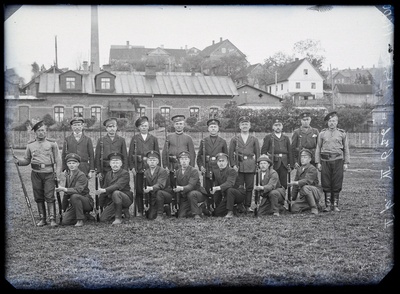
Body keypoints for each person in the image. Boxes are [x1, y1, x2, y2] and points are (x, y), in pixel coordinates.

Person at [13, 120, 62, 227]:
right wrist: (18, 161)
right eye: (39, 131)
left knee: (49, 196)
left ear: (46, 131)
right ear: (35, 132)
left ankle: (52, 219)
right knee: (38, 196)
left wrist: (57, 175)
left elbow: (58, 160)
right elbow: (27, 160)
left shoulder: (52, 143)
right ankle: (42, 219)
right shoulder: (30, 145)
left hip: (49, 173)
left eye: (43, 130)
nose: (41, 133)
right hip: (36, 174)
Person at [315, 111, 350, 212]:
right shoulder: (322, 134)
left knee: (337, 182)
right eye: (330, 121)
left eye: (334, 121)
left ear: (337, 122)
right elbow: (318, 148)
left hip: (338, 160)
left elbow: (346, 149)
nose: (332, 123)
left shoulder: (342, 133)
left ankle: (335, 205)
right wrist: (318, 162)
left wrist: (346, 163)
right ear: (327, 122)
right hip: (325, 161)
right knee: (326, 182)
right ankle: (327, 205)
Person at [128, 116, 160, 217]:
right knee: (139, 189)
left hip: (151, 168)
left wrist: (158, 168)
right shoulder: (135, 138)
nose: (144, 128)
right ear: (139, 128)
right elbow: (130, 154)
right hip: (139, 168)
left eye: (146, 126)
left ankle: (151, 208)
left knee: (151, 188)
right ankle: (140, 209)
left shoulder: (153, 139)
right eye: (142, 126)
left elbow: (157, 154)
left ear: (148, 126)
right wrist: (132, 167)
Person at [228, 116, 260, 213]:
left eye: (246, 124)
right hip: (239, 165)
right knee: (239, 186)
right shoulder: (235, 139)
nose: (244, 126)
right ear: (239, 126)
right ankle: (240, 205)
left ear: (250, 126)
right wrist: (233, 165)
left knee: (249, 187)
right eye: (243, 124)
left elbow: (258, 153)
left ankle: (247, 205)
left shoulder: (254, 139)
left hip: (250, 165)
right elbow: (230, 153)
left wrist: (257, 165)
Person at [196, 118, 228, 210]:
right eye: (211, 127)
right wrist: (201, 166)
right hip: (207, 167)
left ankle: (217, 206)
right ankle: (208, 205)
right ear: (208, 129)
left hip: (219, 168)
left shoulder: (222, 141)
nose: (213, 128)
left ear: (218, 129)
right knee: (207, 187)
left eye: (215, 127)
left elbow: (226, 157)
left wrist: (224, 170)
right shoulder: (204, 141)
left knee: (217, 187)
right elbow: (199, 156)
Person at [56, 153, 94, 226]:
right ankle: (85, 216)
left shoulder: (81, 175)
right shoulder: (68, 175)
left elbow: (78, 190)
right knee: (65, 222)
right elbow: (66, 194)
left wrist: (63, 189)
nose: (71, 165)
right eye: (69, 163)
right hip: (75, 203)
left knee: (75, 196)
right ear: (67, 164)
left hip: (86, 201)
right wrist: (62, 209)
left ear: (78, 164)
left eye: (74, 163)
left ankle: (80, 220)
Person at [95, 152, 133, 224]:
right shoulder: (108, 174)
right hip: (113, 200)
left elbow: (117, 186)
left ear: (121, 164)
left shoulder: (125, 173)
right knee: (103, 219)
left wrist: (104, 190)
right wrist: (99, 206)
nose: (115, 164)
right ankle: (123, 210)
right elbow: (104, 188)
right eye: (113, 162)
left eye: (117, 162)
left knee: (116, 192)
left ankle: (118, 218)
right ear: (110, 164)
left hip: (125, 198)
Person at [162, 115, 196, 188]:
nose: (179, 126)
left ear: (183, 125)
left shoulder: (188, 138)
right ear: (174, 125)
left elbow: (192, 154)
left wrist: (191, 167)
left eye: (180, 124)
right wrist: (165, 166)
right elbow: (165, 152)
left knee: (183, 185)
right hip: (172, 165)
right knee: (172, 184)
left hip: (184, 165)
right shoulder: (169, 137)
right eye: (177, 124)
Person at [94, 117, 128, 186]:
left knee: (117, 187)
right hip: (105, 168)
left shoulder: (121, 140)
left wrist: (125, 169)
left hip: (118, 168)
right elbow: (97, 156)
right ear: (106, 128)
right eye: (110, 127)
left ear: (116, 127)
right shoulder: (101, 140)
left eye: (113, 126)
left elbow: (124, 156)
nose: (112, 128)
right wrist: (99, 171)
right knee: (104, 187)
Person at [288, 149, 323, 215]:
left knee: (305, 187)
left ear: (310, 159)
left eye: (305, 157)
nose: (302, 159)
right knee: (294, 209)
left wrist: (294, 183)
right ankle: (310, 205)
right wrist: (292, 198)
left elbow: (307, 181)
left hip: (314, 192)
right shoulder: (299, 169)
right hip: (304, 195)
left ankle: (314, 207)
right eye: (301, 157)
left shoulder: (312, 168)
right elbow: (295, 186)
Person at [261, 119, 293, 190]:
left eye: (279, 125)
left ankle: (282, 198)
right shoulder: (268, 137)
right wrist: (266, 163)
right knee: (273, 180)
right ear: (273, 127)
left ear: (282, 127)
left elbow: (290, 152)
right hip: (273, 163)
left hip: (284, 163)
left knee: (283, 182)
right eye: (276, 125)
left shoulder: (286, 138)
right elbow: (263, 151)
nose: (278, 127)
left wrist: (291, 164)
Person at [175, 151, 208, 219]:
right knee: (181, 216)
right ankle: (200, 208)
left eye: (186, 159)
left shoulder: (193, 171)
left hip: (197, 194)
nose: (184, 161)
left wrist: (180, 188)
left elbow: (191, 186)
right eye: (182, 159)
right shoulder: (177, 172)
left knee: (192, 194)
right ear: (179, 161)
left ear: (189, 160)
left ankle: (197, 214)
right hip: (185, 196)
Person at [212, 153, 246, 218]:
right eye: (219, 161)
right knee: (217, 212)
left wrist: (217, 188)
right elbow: (217, 191)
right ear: (217, 162)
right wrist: (216, 204)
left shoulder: (232, 171)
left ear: (227, 162)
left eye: (223, 161)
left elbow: (230, 183)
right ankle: (236, 208)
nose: (221, 163)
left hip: (238, 194)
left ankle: (230, 212)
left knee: (230, 190)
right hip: (228, 196)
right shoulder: (216, 173)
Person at [143, 150, 174, 221]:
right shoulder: (146, 172)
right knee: (150, 216)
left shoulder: (162, 171)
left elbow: (160, 185)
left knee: (159, 192)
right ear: (147, 162)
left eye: (154, 160)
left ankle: (160, 214)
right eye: (150, 160)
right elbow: (145, 187)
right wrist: (146, 202)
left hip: (165, 194)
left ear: (157, 162)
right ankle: (165, 208)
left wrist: (150, 188)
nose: (152, 162)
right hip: (154, 197)